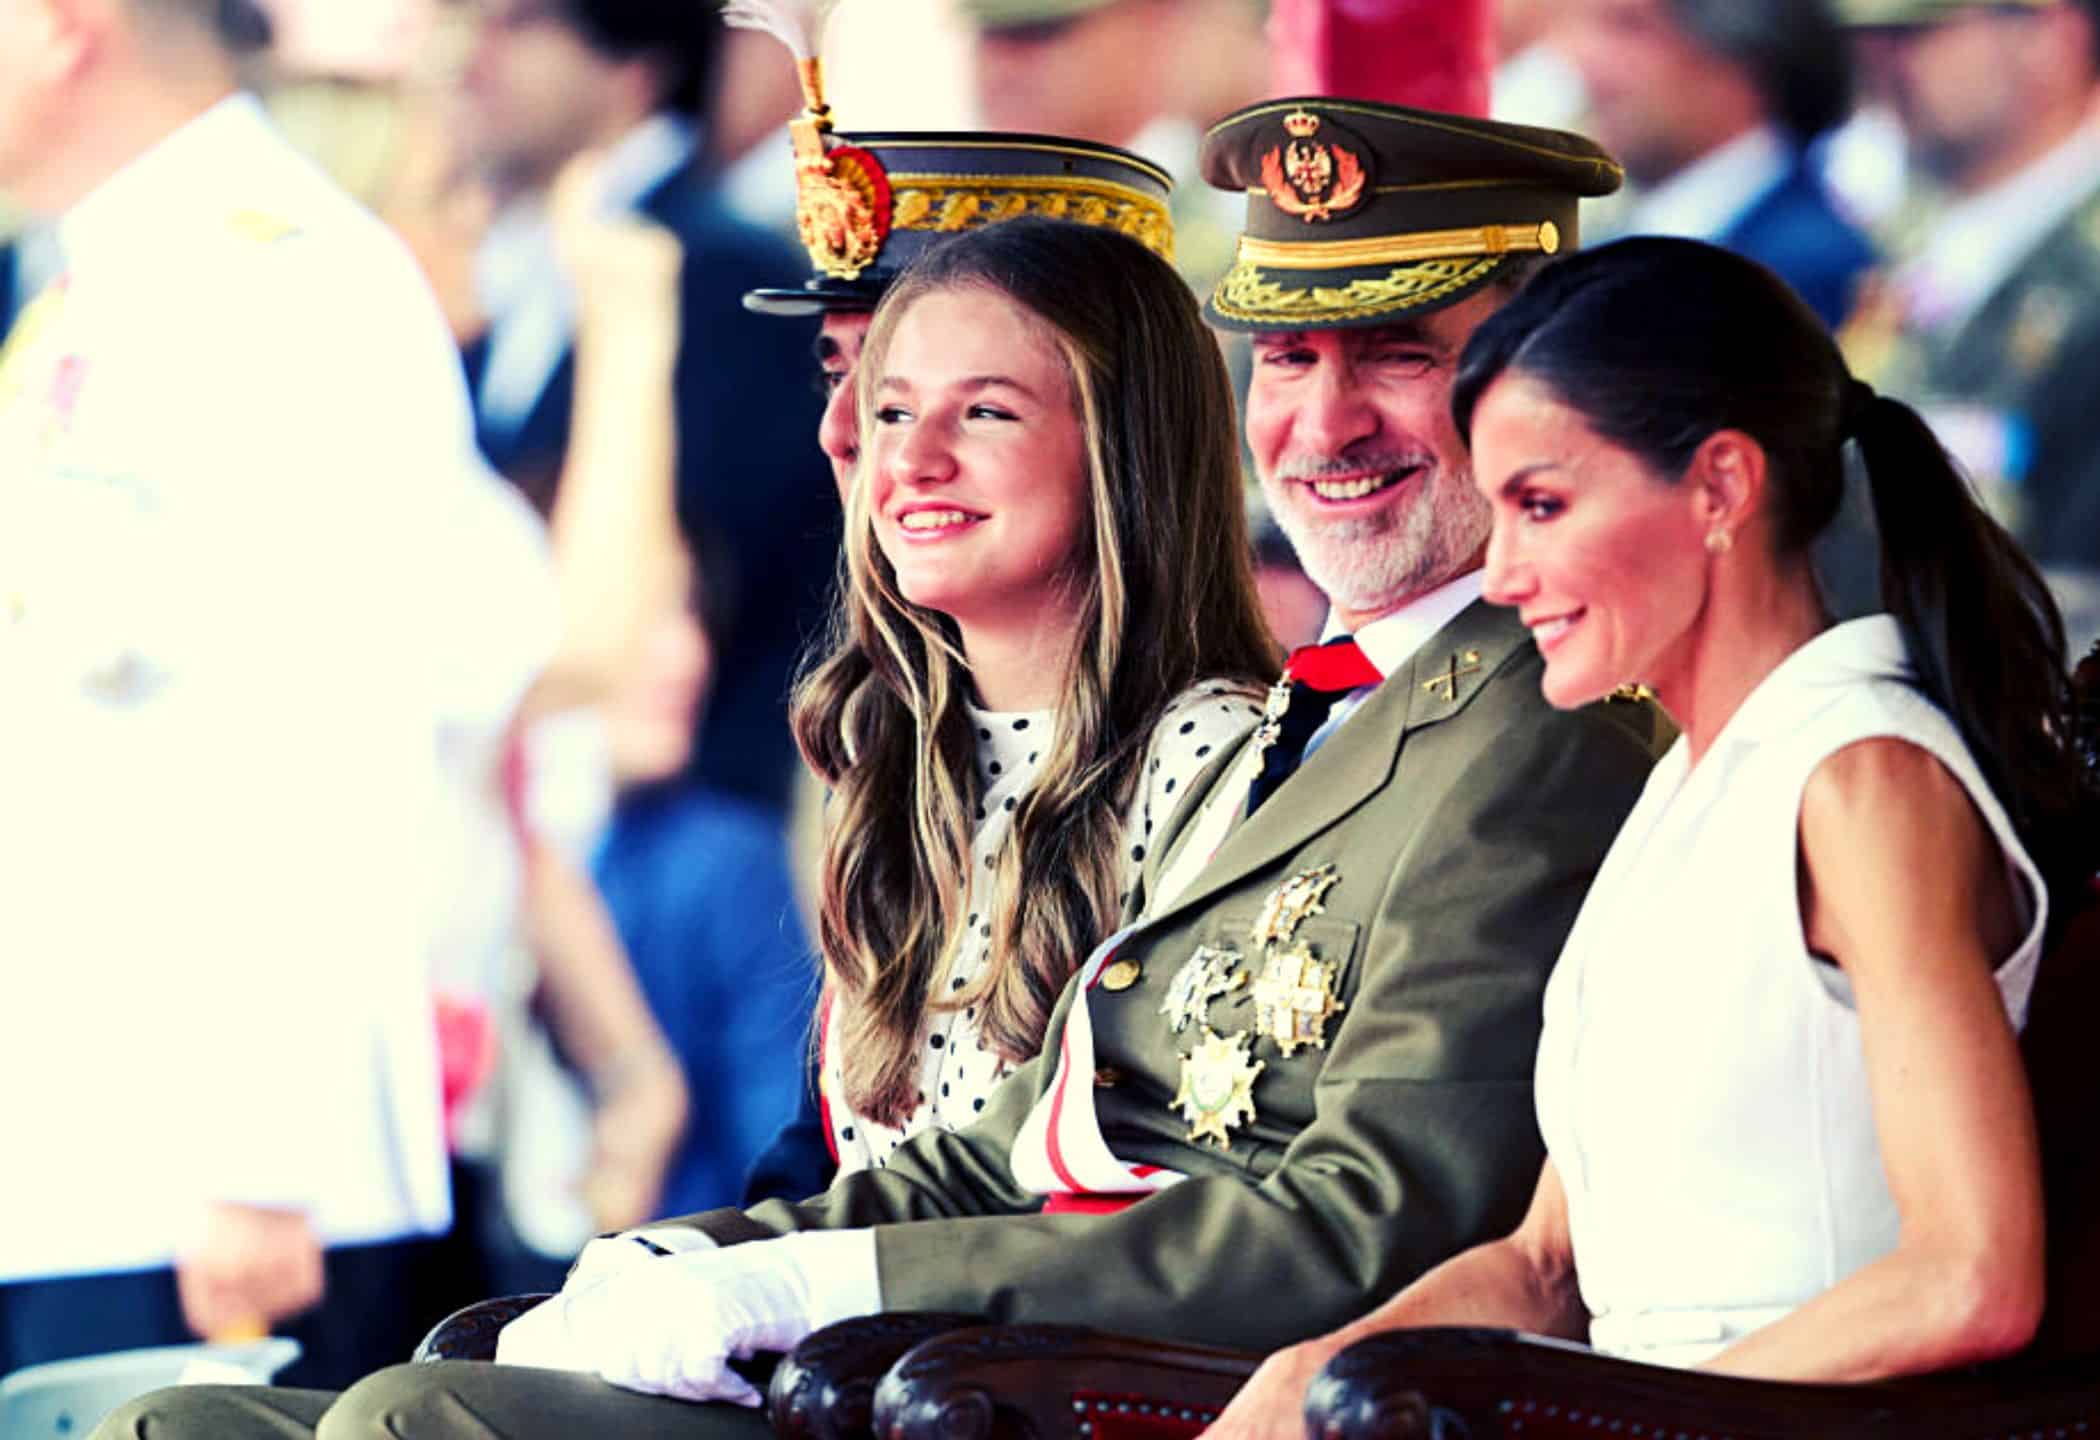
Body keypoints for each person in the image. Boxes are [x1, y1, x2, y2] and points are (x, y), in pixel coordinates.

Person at [98, 98, 1664, 1440]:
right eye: (1290, 354)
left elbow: (1320, 1207)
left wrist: (818, 1282)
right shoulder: (1326, 716)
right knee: (179, 1421)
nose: (870, 442)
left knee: (411, 1416)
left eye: (1397, 353)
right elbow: (998, 1136)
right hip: (934, 1345)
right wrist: (713, 1258)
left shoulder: (1468, 724)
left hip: (1031, 1377)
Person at [1205, 236, 2100, 1437]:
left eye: (1541, 506)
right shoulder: (1687, 784)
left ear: (1721, 487)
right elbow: (1544, 1269)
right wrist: (1305, 1377)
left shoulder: (1865, 779)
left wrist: (1631, 1423)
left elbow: (1969, 1278)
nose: (1503, 573)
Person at [0, 0, 553, 1384]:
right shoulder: (109, 272)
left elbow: (326, 725)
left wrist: (262, 1147)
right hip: (79, 1149)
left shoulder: (281, 281)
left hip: (196, 1177)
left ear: (66, 26)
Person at [735, 34, 1195, 1201]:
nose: (853, 437)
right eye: (852, 380)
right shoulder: (891, 723)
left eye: (980, 402)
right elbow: (832, 1150)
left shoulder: (1215, 758)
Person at [790, 219, 1274, 1173]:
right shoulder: (899, 751)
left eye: (986, 413)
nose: (912, 461)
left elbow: (1164, 1187)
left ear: (1125, 448)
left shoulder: (1215, 756)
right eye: (894, 413)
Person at [455, 0, 836, 817]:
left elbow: (704, 578)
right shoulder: (502, 276)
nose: (474, 61)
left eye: (520, 25)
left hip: (679, 819)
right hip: (519, 810)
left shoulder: (736, 279)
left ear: (633, 66)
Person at [1840, 0, 2100, 648]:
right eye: (1870, 38)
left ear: (2047, 34)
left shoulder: (2084, 272)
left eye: (1914, 33)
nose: (1879, 60)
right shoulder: (1903, 244)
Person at [1560, 0, 1874, 328]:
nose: (1586, 64)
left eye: (1631, 27)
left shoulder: (1805, 272)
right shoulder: (1613, 252)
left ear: (1741, 57)